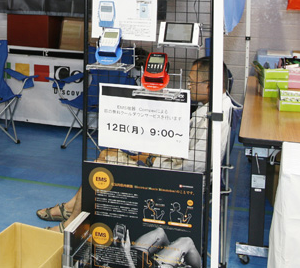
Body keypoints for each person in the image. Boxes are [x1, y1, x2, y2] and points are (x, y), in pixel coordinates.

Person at [36, 57, 234, 227]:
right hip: (173, 168)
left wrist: (150, 160)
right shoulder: (215, 108)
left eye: (192, 82)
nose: (189, 86)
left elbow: (194, 165)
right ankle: (72, 208)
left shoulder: (213, 119)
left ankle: (71, 221)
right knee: (107, 153)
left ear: (210, 85)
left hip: (177, 181)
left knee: (100, 166)